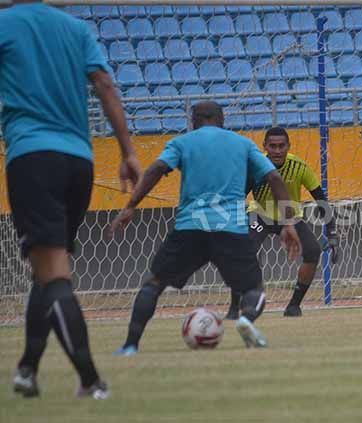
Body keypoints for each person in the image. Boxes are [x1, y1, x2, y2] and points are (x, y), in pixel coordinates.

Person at [1, 1, 142, 399]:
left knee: (53, 274)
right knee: (46, 272)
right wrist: (128, 152)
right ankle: (28, 368)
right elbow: (105, 84)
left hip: (32, 156)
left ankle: (91, 381)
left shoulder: (4, 24)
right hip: (79, 161)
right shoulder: (75, 28)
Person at [110, 102, 301, 356]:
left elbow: (156, 169)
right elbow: (274, 178)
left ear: (193, 121)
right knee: (254, 289)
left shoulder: (182, 143)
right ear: (222, 119)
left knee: (154, 284)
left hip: (191, 227)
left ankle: (130, 345)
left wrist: (131, 206)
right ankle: (246, 319)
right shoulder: (242, 143)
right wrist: (288, 222)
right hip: (231, 228)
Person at [224, 127, 339, 319]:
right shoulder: (254, 167)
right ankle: (235, 307)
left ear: (288, 146)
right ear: (265, 147)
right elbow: (238, 196)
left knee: (312, 251)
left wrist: (332, 233)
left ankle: (293, 306)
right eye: (273, 146)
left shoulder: (300, 167)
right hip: (260, 215)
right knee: (244, 253)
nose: (277, 150)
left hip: (291, 218)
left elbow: (321, 200)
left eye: (281, 146)